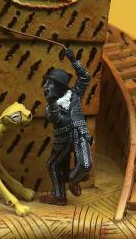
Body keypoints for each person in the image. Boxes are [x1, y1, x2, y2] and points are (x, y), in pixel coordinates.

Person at [41, 49, 92, 205]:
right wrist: (51, 103)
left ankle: (73, 180)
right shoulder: (50, 106)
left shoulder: (75, 94)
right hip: (62, 140)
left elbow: (85, 77)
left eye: (49, 84)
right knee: (53, 165)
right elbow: (57, 119)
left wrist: (73, 60)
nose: (45, 87)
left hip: (79, 134)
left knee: (86, 165)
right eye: (46, 83)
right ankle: (59, 195)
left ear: (59, 87)